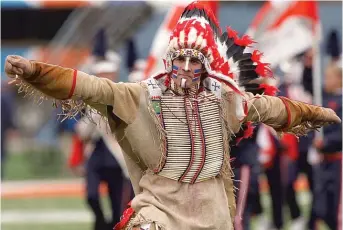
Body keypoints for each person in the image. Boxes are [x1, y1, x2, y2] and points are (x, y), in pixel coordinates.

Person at [4, 2, 340, 229]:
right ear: (170, 60)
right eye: (181, 60)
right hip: (158, 213)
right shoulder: (141, 95)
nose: (187, 68)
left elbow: (268, 107)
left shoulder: (224, 99)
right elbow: (93, 88)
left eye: (195, 62)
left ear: (206, 65)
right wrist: (35, 70)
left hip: (212, 216)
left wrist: (318, 113)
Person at [68, 29, 131, 230]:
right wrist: (93, 111)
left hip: (117, 155)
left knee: (116, 206)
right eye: (101, 73)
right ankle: (99, 222)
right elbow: (80, 132)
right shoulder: (86, 97)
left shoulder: (123, 93)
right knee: (92, 196)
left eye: (108, 73)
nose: (104, 76)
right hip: (95, 153)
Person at [311, 61, 342, 230]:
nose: (325, 80)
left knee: (336, 205)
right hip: (322, 161)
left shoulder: (341, 101)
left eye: (329, 77)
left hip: (338, 160)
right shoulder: (321, 97)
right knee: (321, 206)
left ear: (339, 79)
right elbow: (309, 82)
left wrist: (327, 142)